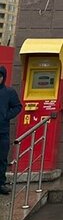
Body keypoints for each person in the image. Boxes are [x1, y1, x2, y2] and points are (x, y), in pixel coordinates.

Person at [0, 65, 23, 194]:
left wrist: (6, 116)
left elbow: (18, 107)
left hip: (2, 132)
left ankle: (1, 183)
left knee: (2, 158)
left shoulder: (9, 92)